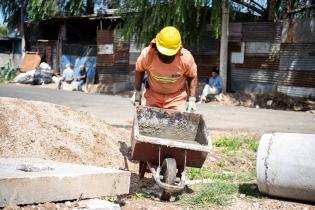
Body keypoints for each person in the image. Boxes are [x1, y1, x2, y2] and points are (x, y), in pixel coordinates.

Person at [131, 26, 198, 112]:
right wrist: (137, 93)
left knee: (178, 124)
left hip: (176, 99)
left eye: (170, 54)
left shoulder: (186, 58)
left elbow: (192, 76)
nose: (166, 57)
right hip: (153, 96)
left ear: (178, 50)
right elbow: (139, 70)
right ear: (157, 47)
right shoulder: (147, 55)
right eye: (163, 53)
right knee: (149, 123)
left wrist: (191, 100)